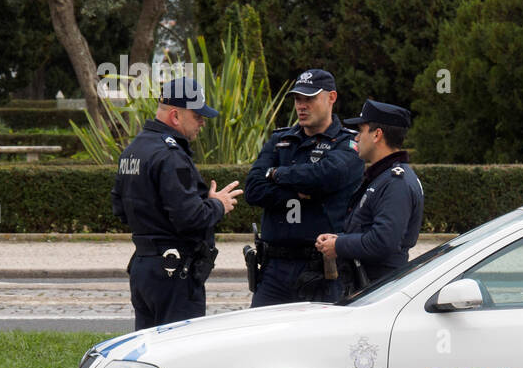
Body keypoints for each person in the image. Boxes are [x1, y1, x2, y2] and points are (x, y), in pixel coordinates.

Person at [111, 76, 242, 330]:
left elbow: (120, 209)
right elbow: (189, 218)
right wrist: (218, 205)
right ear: (175, 116)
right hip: (173, 272)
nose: (202, 123)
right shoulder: (170, 156)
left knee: (148, 351)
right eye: (197, 116)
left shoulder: (133, 150)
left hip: (144, 267)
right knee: (180, 355)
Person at [245, 68, 363, 306]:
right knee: (261, 338)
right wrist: (298, 193)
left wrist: (276, 173)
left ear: (331, 98)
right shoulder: (280, 140)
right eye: (298, 99)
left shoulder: (348, 142)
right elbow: (253, 189)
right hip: (274, 269)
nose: (301, 105)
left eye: (309, 98)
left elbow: (325, 177)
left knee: (319, 341)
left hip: (321, 269)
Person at [315, 100, 423, 292]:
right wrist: (338, 238)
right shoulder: (382, 177)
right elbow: (366, 230)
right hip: (369, 288)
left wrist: (339, 245)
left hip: (380, 290)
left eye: (361, 131)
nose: (356, 138)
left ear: (377, 135)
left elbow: (383, 242)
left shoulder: (396, 182)